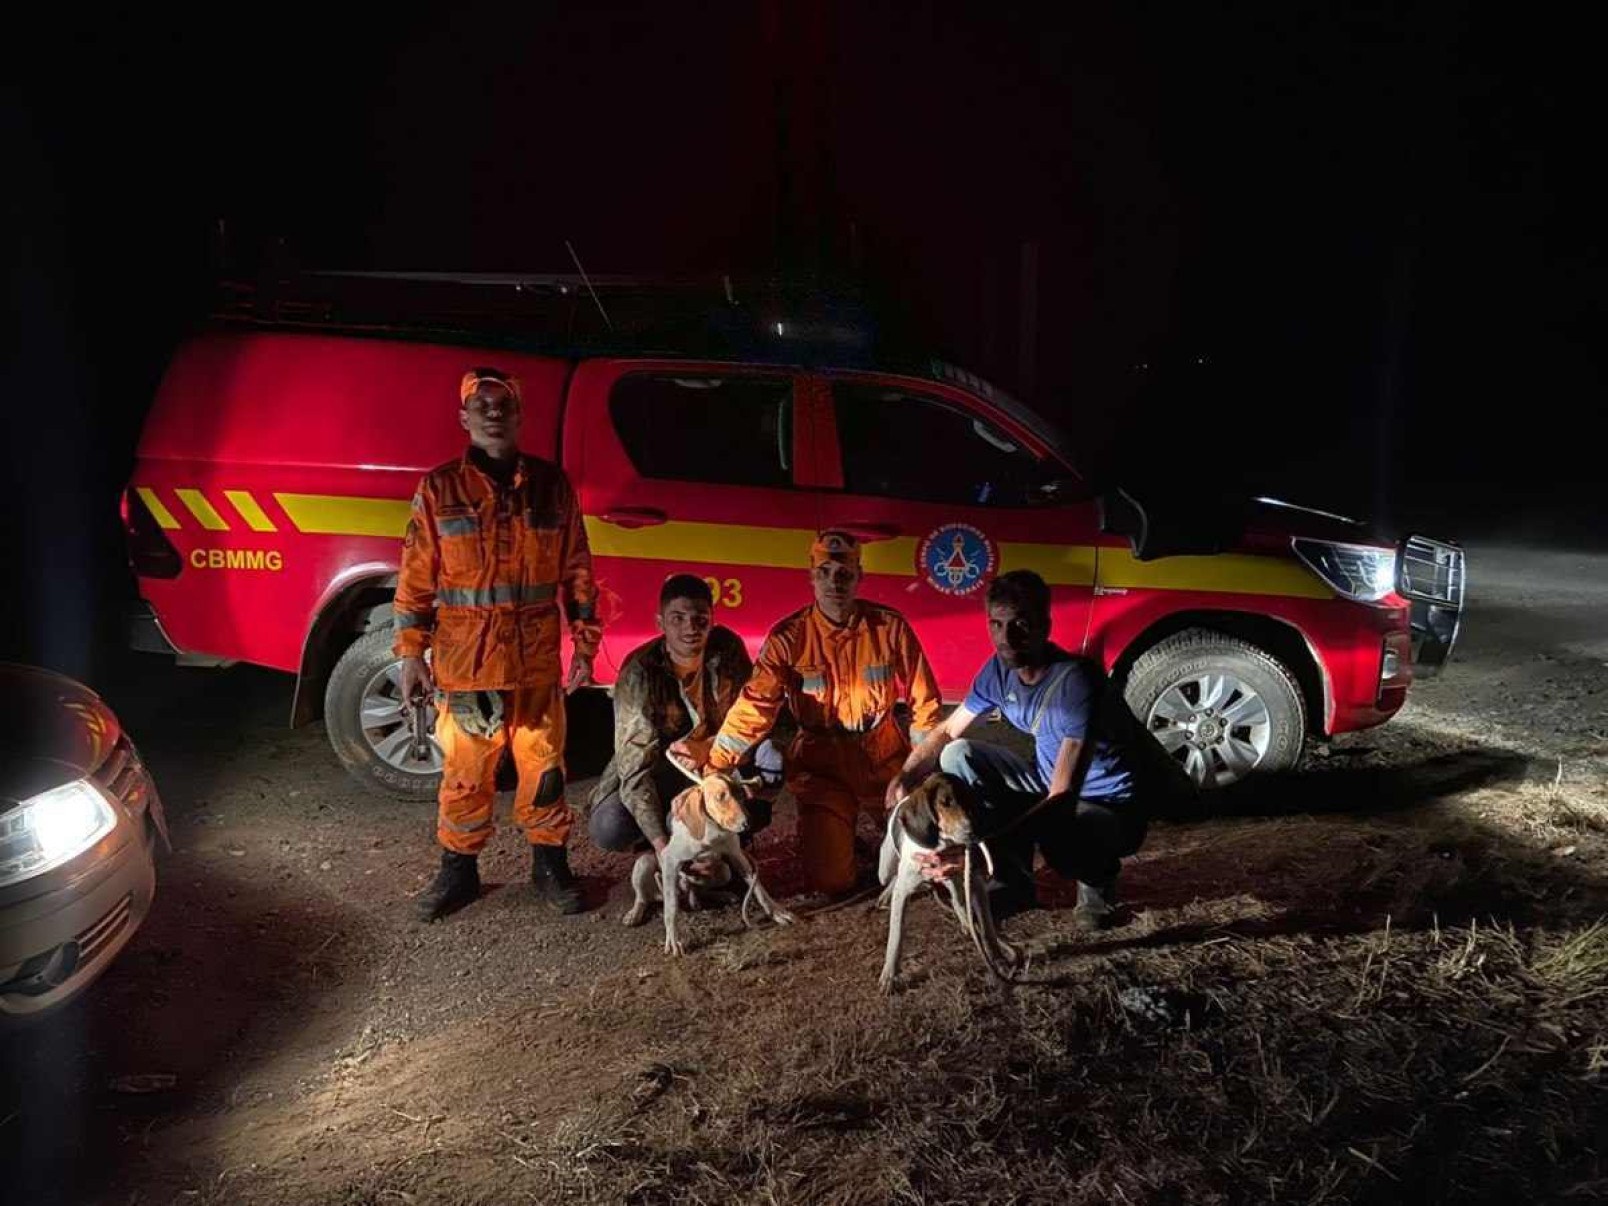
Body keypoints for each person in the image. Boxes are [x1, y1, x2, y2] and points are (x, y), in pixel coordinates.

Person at [395, 366, 600, 921]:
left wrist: (584, 644)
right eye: (480, 404)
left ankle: (550, 864)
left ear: (518, 415)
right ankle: (458, 871)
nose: (492, 412)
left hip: (534, 663)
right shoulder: (439, 490)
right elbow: (416, 578)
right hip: (467, 664)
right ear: (463, 417)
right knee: (465, 773)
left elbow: (578, 571)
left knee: (546, 767)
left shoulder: (552, 486)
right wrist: (411, 653)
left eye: (502, 404)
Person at [886, 569, 1178, 930]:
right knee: (959, 755)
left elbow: (1062, 794)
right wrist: (906, 774)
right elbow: (947, 730)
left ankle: (1097, 881)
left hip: (1106, 803)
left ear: (1045, 625)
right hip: (1046, 779)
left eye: (1020, 624)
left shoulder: (1076, 682)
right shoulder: (999, 670)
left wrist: (976, 851)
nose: (1006, 638)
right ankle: (1013, 881)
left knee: (1059, 837)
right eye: (996, 624)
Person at [693, 530, 942, 897]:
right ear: (811, 577)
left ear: (860, 577)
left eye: (844, 573)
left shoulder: (890, 628)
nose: (834, 582)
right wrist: (716, 765)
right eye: (824, 572)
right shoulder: (789, 637)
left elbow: (926, 706)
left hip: (885, 763)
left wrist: (921, 773)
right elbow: (755, 706)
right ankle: (839, 839)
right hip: (822, 769)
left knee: (923, 868)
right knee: (832, 882)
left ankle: (876, 836)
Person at [587, 573, 773, 854]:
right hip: (663, 770)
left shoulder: (727, 650)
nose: (690, 628)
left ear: (712, 619)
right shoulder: (640, 672)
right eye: (678, 618)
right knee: (610, 826)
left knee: (773, 759)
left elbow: (750, 722)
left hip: (719, 763)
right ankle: (664, 840)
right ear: (660, 623)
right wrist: (664, 848)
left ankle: (729, 839)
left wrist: (707, 748)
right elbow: (635, 769)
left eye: (700, 619)